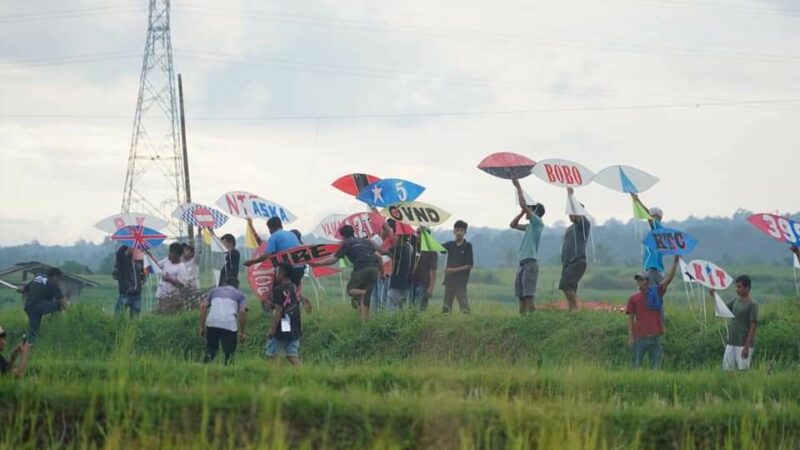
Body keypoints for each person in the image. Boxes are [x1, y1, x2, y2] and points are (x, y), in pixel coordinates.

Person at [310, 225, 383, 321]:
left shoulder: (347, 243)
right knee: (363, 298)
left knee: (351, 290)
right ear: (353, 232)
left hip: (362, 268)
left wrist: (316, 264)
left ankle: (364, 293)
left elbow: (333, 259)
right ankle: (364, 322)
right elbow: (379, 257)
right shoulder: (365, 241)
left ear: (343, 236)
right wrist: (382, 272)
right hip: (374, 269)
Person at [625, 255, 680, 370]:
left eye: (641, 280)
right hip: (639, 337)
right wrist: (631, 336)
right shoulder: (633, 299)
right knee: (636, 365)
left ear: (647, 281)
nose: (639, 282)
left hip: (655, 336)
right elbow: (630, 319)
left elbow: (669, 278)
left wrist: (675, 263)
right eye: (638, 280)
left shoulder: (657, 293)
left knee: (656, 366)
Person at [510, 178, 545, 314]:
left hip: (530, 262)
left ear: (535, 212)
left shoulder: (538, 223)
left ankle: (532, 319)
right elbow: (512, 225)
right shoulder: (529, 226)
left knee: (529, 295)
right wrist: (521, 213)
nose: (527, 209)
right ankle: (523, 320)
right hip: (522, 263)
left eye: (531, 208)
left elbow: (523, 204)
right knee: (521, 296)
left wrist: (518, 187)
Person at [710, 275, 759, 371]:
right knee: (727, 370)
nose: (737, 289)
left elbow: (753, 326)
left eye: (739, 287)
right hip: (731, 342)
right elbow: (722, 308)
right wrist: (714, 296)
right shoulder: (736, 301)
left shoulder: (753, 304)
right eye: (736, 287)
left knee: (742, 371)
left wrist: (747, 347)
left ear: (747, 288)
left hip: (743, 344)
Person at [244, 217, 305, 289]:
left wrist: (252, 262)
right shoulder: (292, 234)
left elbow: (266, 256)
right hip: (300, 269)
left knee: (277, 290)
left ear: (270, 228)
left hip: (288, 271)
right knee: (292, 291)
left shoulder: (274, 236)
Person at [199, 278, 247, 365]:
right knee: (229, 353)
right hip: (229, 324)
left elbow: (203, 306)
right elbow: (242, 312)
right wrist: (243, 332)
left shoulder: (214, 291)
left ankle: (207, 362)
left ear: (225, 284)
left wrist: (202, 327)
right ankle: (228, 368)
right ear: (237, 286)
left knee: (211, 347)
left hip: (212, 322)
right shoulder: (240, 295)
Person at [266, 263, 306, 366]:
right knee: (292, 354)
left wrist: (273, 329)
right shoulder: (293, 286)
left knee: (272, 354)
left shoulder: (278, 289)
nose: (276, 273)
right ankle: (305, 373)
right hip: (294, 322)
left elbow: (279, 310)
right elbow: (288, 303)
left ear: (282, 273)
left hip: (284, 321)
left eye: (278, 271)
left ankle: (271, 375)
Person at [559, 187, 591, 311]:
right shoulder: (569, 228)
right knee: (571, 288)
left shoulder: (583, 225)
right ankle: (572, 312)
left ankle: (577, 307)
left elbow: (578, 217)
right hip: (568, 263)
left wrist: (571, 196)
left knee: (565, 285)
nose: (571, 215)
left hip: (577, 260)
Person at [20, 267, 67, 343]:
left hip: (29, 307)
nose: (59, 281)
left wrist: (21, 289)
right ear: (55, 276)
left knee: (33, 331)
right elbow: (61, 300)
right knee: (59, 305)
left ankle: (30, 344)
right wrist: (70, 312)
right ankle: (54, 323)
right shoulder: (52, 282)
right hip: (38, 306)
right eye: (59, 278)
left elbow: (24, 289)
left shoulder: (38, 277)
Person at [632, 194, 665, 284]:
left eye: (652, 216)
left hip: (653, 270)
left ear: (657, 217)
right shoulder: (656, 231)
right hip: (653, 269)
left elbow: (648, 216)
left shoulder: (658, 229)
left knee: (649, 290)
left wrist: (638, 200)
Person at [442, 220, 473, 314]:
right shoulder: (450, 245)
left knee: (464, 307)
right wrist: (425, 233)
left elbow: (469, 265)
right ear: (454, 231)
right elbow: (437, 248)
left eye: (461, 230)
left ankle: (466, 322)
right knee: (446, 307)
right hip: (449, 281)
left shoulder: (467, 246)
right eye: (457, 230)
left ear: (465, 232)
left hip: (461, 281)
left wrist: (453, 270)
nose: (459, 232)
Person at [112, 246, 146, 318]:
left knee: (135, 319)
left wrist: (144, 277)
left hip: (137, 295)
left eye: (136, 248)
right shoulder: (123, 259)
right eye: (132, 247)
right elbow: (119, 253)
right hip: (125, 293)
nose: (134, 249)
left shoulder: (140, 261)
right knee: (119, 317)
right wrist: (128, 244)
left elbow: (143, 275)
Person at [383, 233, 414, 310]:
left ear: (400, 237)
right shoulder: (409, 248)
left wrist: (373, 245)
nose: (394, 237)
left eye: (396, 235)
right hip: (406, 283)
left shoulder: (398, 247)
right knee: (402, 308)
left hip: (396, 282)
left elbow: (383, 252)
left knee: (392, 307)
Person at [410, 227, 438, 310]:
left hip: (424, 283)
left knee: (420, 308)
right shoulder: (415, 247)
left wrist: (431, 288)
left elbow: (433, 270)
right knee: (411, 307)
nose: (416, 235)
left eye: (419, 233)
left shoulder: (432, 250)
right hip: (413, 281)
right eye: (416, 233)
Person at [154, 243, 187, 312]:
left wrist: (169, 279)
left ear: (179, 255)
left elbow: (182, 285)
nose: (172, 255)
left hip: (172, 298)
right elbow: (156, 266)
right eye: (170, 252)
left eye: (174, 254)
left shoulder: (181, 267)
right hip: (161, 295)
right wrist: (150, 256)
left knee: (170, 314)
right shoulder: (167, 261)